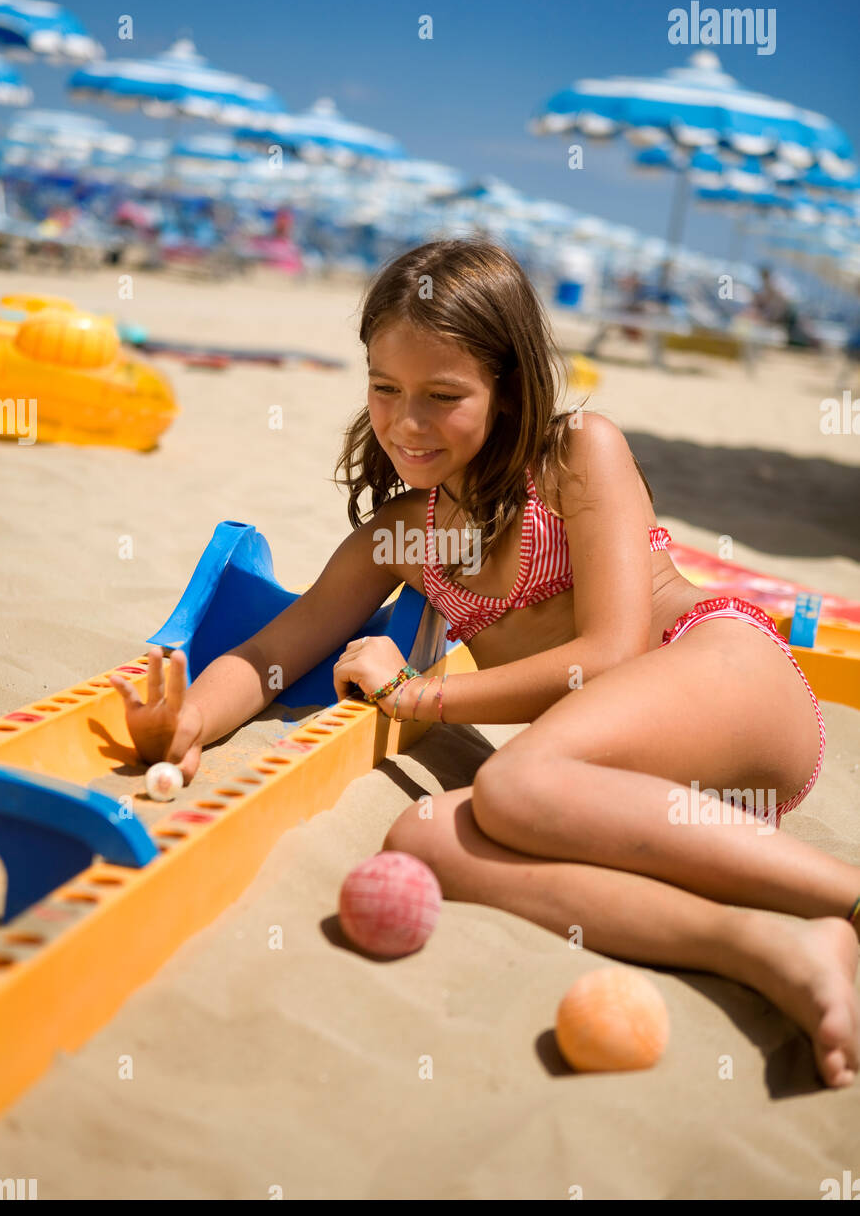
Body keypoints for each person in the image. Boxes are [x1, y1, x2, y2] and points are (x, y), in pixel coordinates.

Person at [109, 238, 858, 1088]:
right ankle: (768, 945)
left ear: (508, 393)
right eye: (384, 389)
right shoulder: (400, 533)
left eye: (444, 396)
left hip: (723, 675)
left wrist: (423, 696)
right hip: (630, 788)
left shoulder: (577, 454)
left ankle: (847, 895)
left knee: (509, 788)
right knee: (427, 839)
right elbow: (275, 653)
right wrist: (188, 721)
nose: (407, 422)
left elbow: (610, 654)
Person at [754, 265, 819, 348]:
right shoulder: (772, 283)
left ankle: (810, 343)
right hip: (786, 311)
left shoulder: (772, 284)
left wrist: (771, 315)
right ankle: (810, 343)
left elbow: (778, 304)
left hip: (787, 311)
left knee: (796, 331)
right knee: (795, 331)